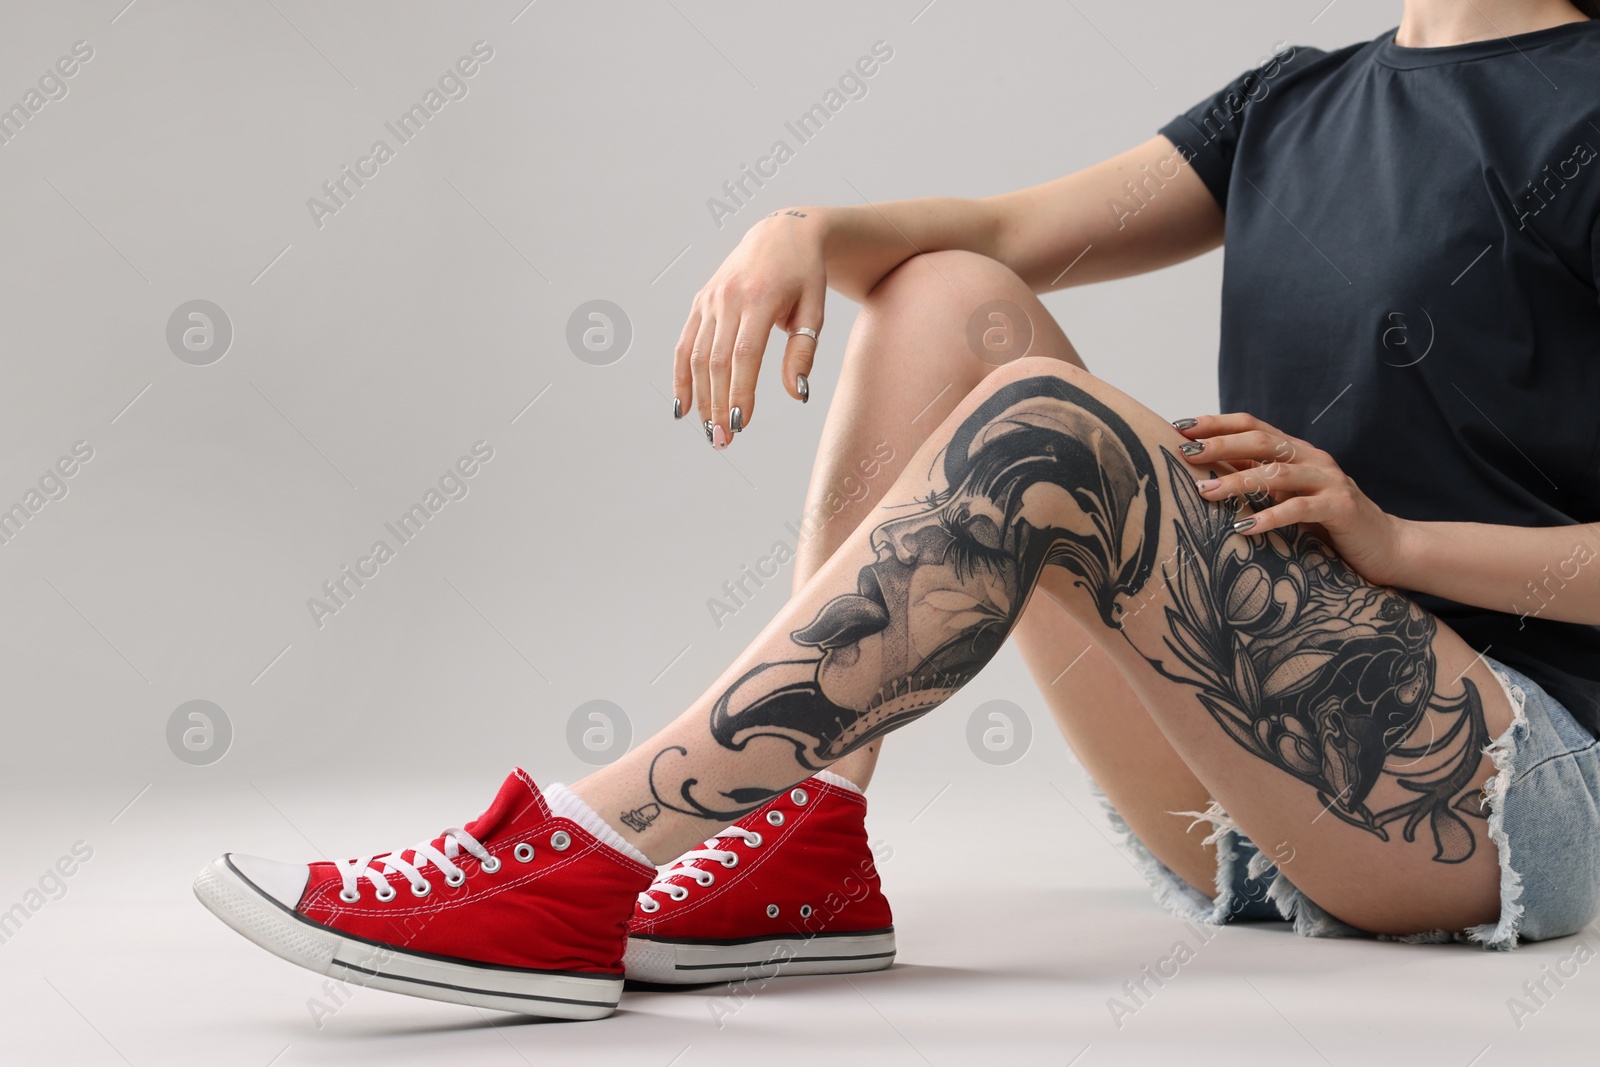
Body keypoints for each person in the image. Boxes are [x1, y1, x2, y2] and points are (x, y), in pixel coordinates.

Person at [195, 0, 1600, 1020]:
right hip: (1255, 788)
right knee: (943, 294)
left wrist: (1395, 545)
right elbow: (993, 239)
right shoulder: (1299, 98)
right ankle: (804, 838)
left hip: (1500, 787)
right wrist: (806, 228)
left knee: (1058, 430)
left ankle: (581, 848)